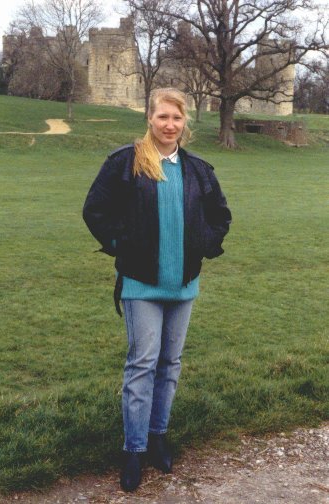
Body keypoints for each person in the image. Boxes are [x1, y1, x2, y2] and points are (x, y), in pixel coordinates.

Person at [83, 88, 232, 492]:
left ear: (185, 123)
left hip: (182, 285)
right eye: (163, 117)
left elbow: (220, 216)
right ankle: (132, 450)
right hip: (141, 283)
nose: (170, 125)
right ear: (149, 118)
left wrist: (204, 245)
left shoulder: (198, 170)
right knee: (142, 364)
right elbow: (94, 210)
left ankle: (157, 438)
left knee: (170, 364)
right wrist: (122, 248)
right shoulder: (125, 163)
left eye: (177, 119)